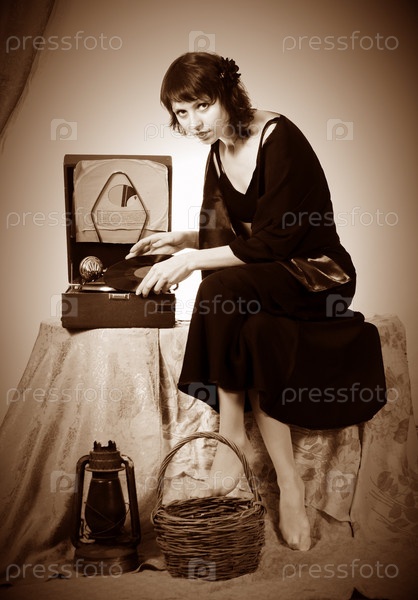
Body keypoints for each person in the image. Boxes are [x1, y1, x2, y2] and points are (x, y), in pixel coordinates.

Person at [126, 52, 386, 552]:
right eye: (181, 112)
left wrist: (194, 262)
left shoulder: (279, 137)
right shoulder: (217, 153)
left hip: (317, 275)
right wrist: (182, 240)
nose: (194, 122)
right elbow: (230, 236)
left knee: (218, 287)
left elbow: (277, 241)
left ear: (228, 94)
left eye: (202, 105)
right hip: (266, 279)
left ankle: (231, 433)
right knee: (257, 332)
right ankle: (291, 486)